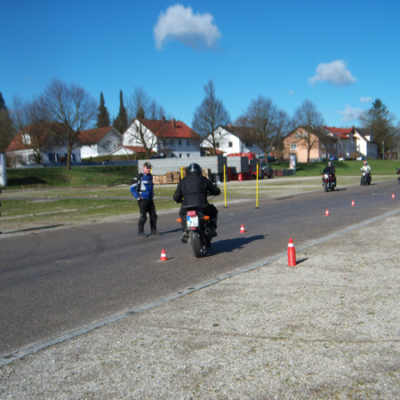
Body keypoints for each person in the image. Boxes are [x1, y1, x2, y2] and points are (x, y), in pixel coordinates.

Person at [173, 163, 221, 243]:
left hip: (186, 207)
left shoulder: (183, 181)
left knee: (182, 214)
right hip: (202, 206)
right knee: (213, 211)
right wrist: (216, 191)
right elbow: (215, 190)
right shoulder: (204, 179)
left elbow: (176, 197)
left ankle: (185, 229)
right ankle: (212, 229)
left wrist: (179, 200)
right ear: (199, 171)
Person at [130, 162, 162, 237]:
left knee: (154, 216)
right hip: (142, 200)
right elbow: (132, 188)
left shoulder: (150, 176)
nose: (149, 169)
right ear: (143, 168)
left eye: (150, 168)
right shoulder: (139, 176)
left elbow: (151, 187)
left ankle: (154, 230)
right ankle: (140, 232)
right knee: (143, 217)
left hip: (150, 199)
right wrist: (137, 197)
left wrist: (152, 194)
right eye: (147, 168)